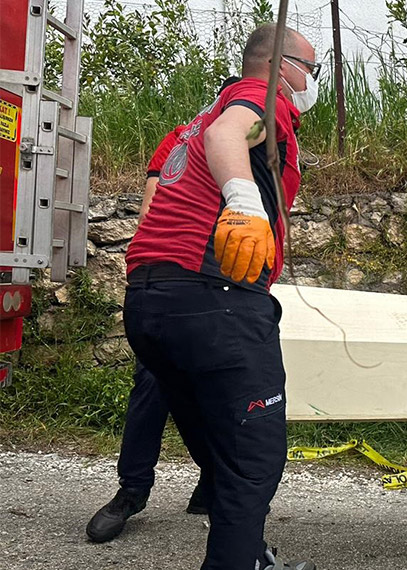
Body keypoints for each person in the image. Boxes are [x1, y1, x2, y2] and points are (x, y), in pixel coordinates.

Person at [122, 24, 320, 569]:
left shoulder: (198, 119)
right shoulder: (261, 100)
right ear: (283, 66)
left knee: (223, 451)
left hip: (149, 302)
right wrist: (242, 202)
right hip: (216, 298)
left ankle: (249, 555)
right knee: (254, 462)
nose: (312, 82)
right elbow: (229, 137)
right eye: (311, 69)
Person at [85, 75, 241, 545]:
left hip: (233, 281)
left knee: (222, 389)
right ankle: (132, 490)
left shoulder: (267, 140)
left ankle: (215, 480)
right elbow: (153, 211)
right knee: (154, 380)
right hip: (179, 278)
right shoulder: (181, 139)